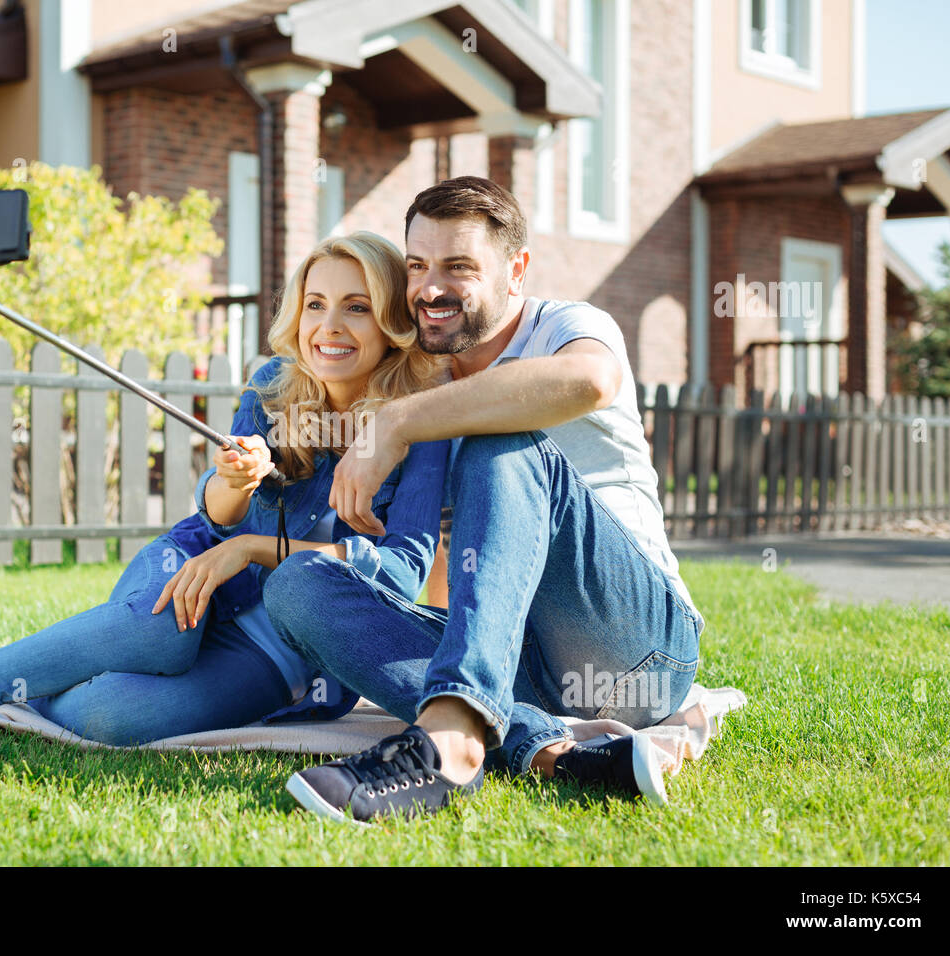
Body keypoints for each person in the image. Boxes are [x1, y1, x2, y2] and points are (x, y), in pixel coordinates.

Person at [0, 232, 450, 745]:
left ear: (391, 319)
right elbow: (215, 522)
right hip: (185, 577)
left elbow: (397, 575)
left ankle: (26, 667)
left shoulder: (420, 427)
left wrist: (255, 552)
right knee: (161, 630)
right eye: (316, 304)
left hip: (282, 649)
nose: (329, 326)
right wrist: (230, 483)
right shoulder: (275, 386)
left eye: (356, 307)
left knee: (107, 717)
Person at [263, 177, 706, 823]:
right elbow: (449, 566)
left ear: (515, 270)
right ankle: (552, 754)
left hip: (634, 652)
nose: (430, 288)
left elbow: (588, 380)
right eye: (417, 266)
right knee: (300, 585)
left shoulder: (568, 326)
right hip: (509, 662)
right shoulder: (421, 368)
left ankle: (450, 741)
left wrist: (397, 421)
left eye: (458, 267)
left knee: (496, 442)